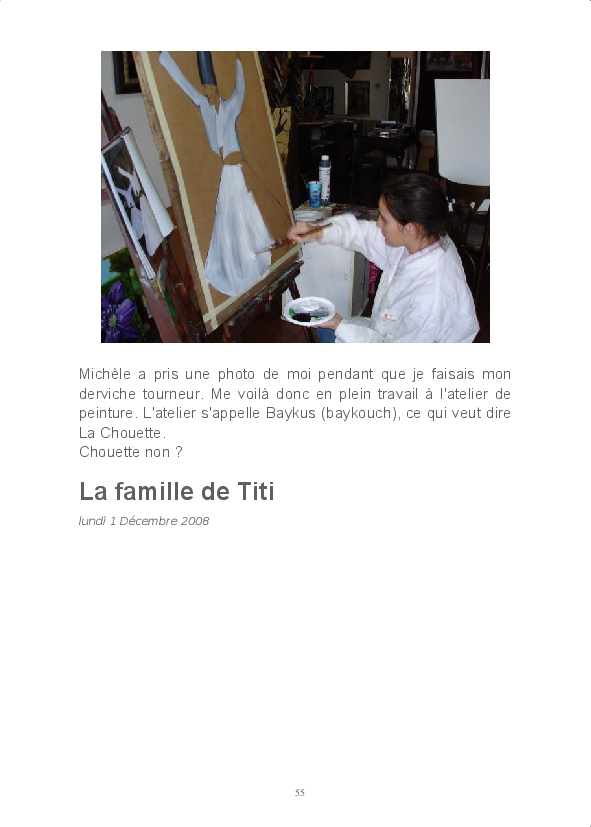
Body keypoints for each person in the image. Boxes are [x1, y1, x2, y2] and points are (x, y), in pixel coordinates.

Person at [287, 173, 479, 343]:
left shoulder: (432, 298)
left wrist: (339, 324)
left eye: (384, 219)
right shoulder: (424, 238)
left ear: (411, 228)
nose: (378, 223)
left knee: (330, 333)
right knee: (327, 332)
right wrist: (318, 230)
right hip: (391, 330)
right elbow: (364, 233)